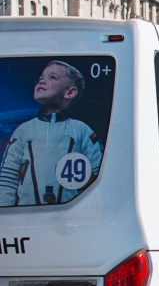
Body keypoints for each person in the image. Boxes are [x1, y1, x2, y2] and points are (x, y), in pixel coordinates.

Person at [0, 61, 103, 206]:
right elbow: (8, 177)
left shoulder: (81, 131)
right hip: (26, 219)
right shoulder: (23, 131)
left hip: (71, 218)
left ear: (70, 92)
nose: (42, 80)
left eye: (52, 77)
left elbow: (99, 176)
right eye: (41, 78)